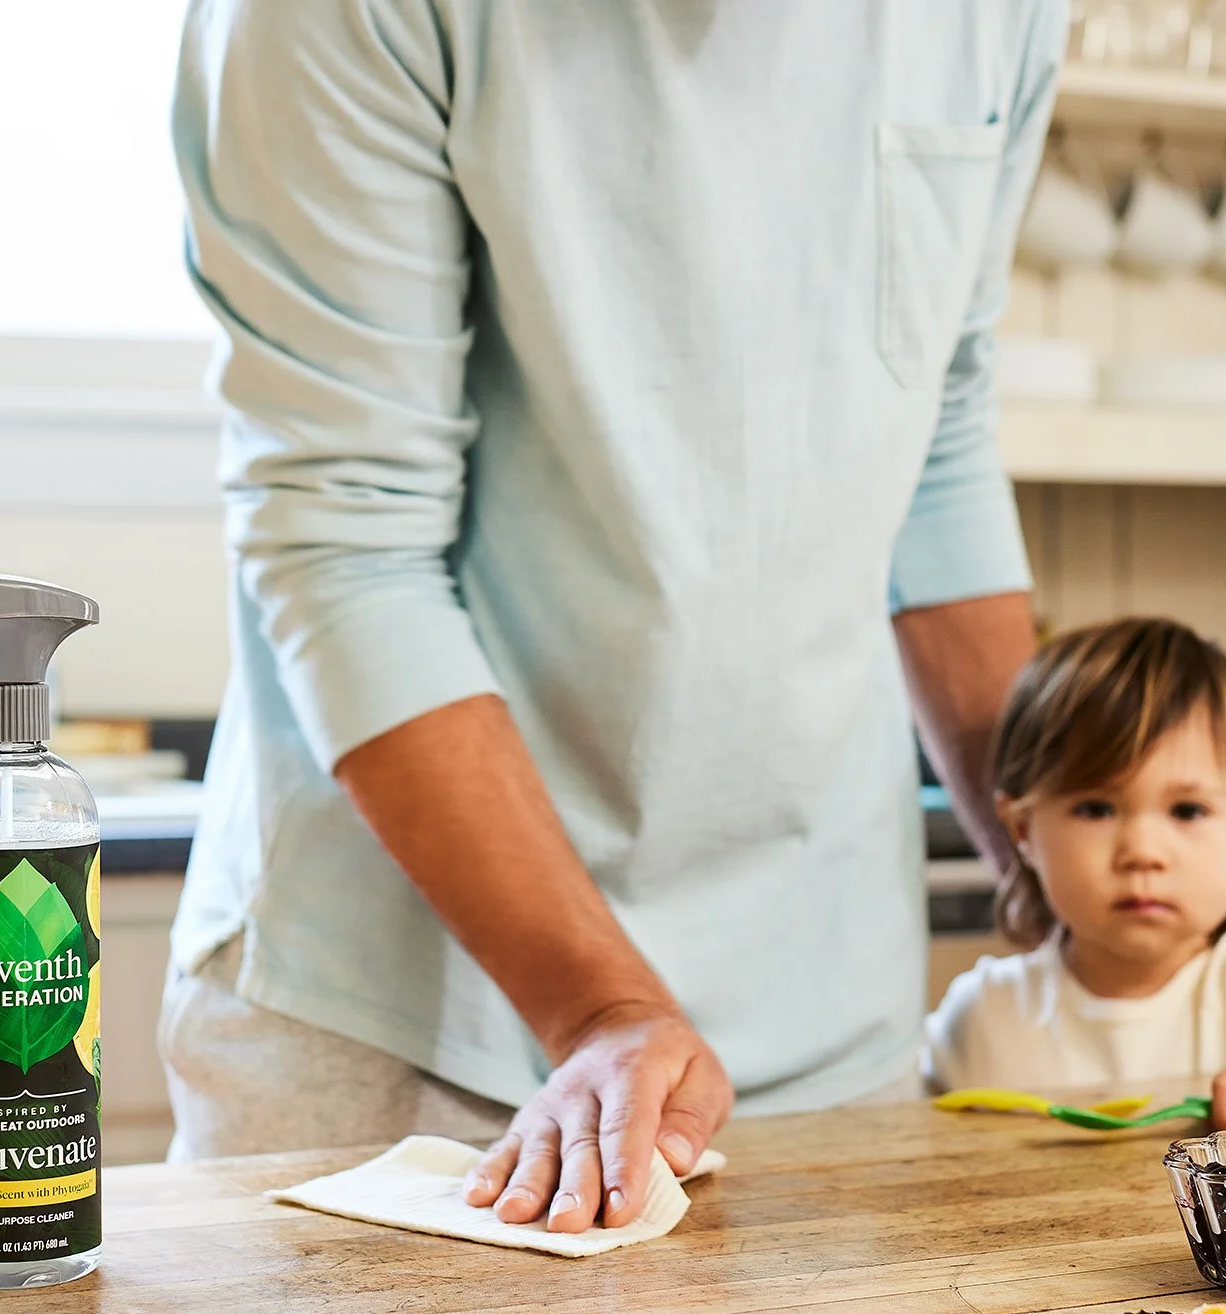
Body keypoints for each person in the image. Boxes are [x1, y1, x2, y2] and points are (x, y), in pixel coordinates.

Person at [161, 0, 1070, 1233]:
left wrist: (1064, 862)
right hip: (409, 1028)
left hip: (829, 1022)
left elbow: (937, 437)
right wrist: (599, 1006)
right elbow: (347, 534)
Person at [922, 617, 1226, 1128]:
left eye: (1187, 811)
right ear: (1022, 829)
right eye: (1096, 809)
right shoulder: (982, 1013)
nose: (1143, 853)